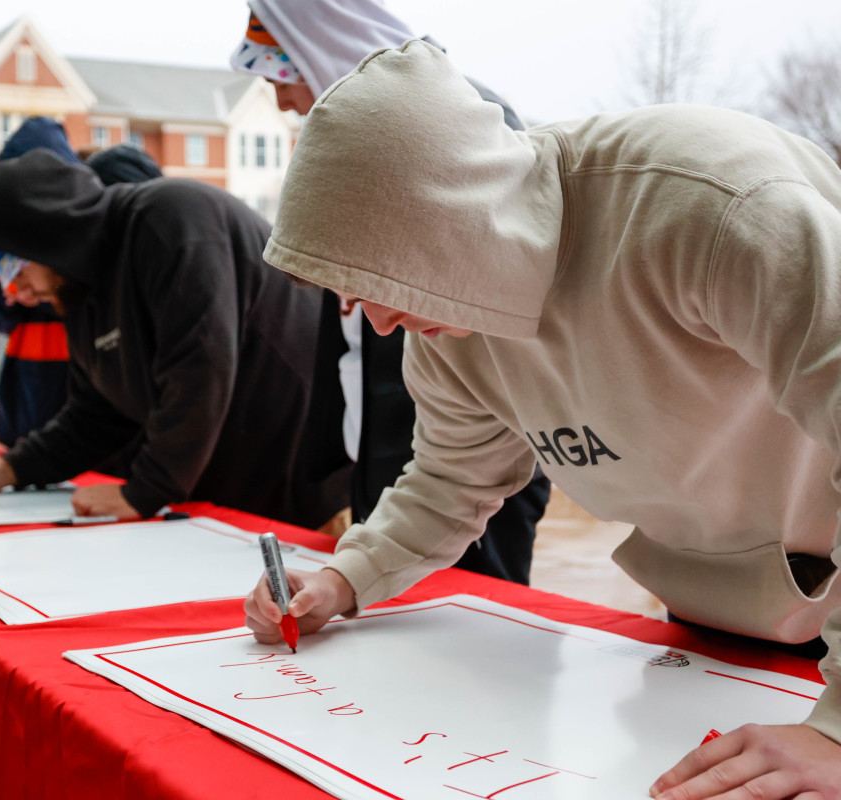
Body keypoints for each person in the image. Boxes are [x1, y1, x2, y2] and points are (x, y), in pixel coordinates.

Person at [242, 39, 841, 797]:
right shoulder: (450, 323)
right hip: (718, 613)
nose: (381, 323)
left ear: (452, 218)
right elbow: (451, 480)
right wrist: (345, 577)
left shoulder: (713, 207)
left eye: (381, 278)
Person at [229, 0, 549, 580]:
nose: (280, 100)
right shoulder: (339, 153)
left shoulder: (459, 113)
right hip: (384, 454)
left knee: (476, 637)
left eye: (283, 74)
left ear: (321, 49)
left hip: (470, 460)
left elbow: (509, 303)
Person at [0, 148, 351, 529]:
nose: (10, 292)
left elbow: (202, 368)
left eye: (12, 269)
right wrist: (12, 469)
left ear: (45, 239)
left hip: (306, 488)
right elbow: (97, 413)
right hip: (235, 493)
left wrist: (144, 491)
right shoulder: (80, 293)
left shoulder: (172, 219)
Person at [0, 121, 165, 447]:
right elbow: (0, 314)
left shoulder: (102, 262)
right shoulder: (21, 254)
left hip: (82, 411)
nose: (19, 290)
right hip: (36, 402)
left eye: (22, 276)